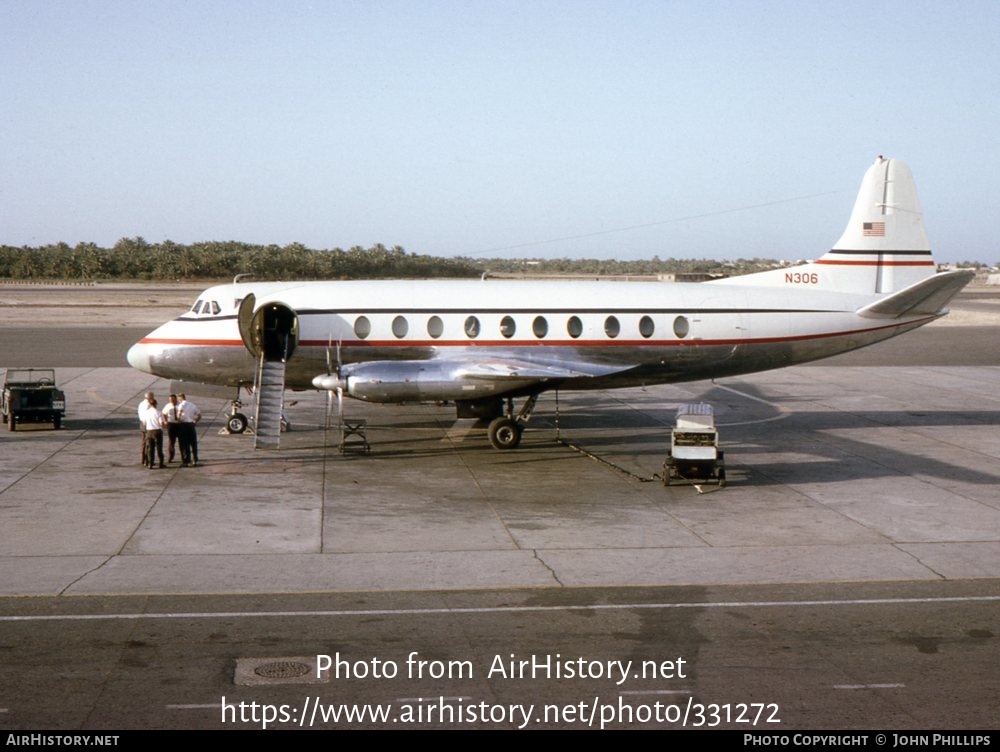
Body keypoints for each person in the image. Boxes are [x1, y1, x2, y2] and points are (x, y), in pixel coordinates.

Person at [177, 393, 201, 466]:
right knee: (193, 443)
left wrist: (178, 420)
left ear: (180, 398)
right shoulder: (192, 405)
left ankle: (187, 460)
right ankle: (195, 459)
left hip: (184, 425)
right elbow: (199, 415)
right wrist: (195, 422)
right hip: (191, 425)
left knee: (185, 443)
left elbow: (178, 415)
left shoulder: (181, 405)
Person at [142, 398, 165, 469]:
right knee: (159, 448)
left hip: (149, 431)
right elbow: (161, 423)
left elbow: (144, 423)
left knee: (150, 448)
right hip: (157, 431)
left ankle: (150, 463)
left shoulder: (146, 413)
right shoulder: (158, 412)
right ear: (155, 404)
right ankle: (161, 463)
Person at [162, 394, 181, 463]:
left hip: (179, 424)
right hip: (171, 424)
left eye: (173, 400)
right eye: (170, 400)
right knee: (171, 441)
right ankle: (170, 456)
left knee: (182, 441)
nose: (172, 401)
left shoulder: (180, 405)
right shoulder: (168, 406)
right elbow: (163, 413)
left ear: (176, 399)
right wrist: (165, 421)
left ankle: (183, 456)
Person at [137, 391, 153, 467]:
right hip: (147, 424)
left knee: (143, 442)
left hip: (142, 424)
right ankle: (148, 460)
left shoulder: (141, 404)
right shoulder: (148, 405)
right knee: (149, 443)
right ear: (149, 397)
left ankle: (143, 459)